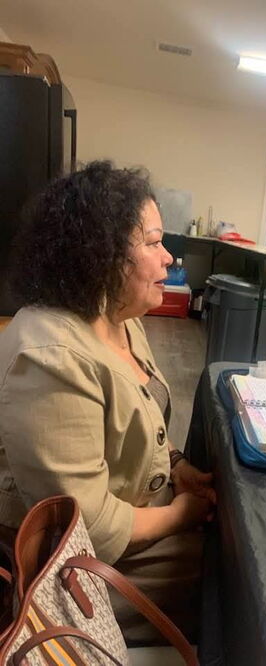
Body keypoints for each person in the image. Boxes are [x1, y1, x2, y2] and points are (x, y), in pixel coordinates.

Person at [0, 161, 215, 642]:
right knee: (230, 585)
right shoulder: (51, 355)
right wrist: (181, 514)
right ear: (102, 253)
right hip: (74, 562)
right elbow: (88, 526)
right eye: (154, 242)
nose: (169, 258)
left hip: (131, 519)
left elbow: (139, 421)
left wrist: (176, 466)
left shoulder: (119, 317)